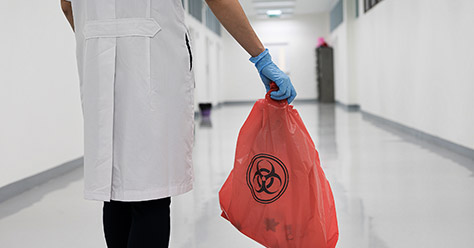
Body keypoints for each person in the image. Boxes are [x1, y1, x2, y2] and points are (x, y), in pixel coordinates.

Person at [60, 0, 296, 247]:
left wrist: (101, 40)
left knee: (115, 193)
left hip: (99, 69)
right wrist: (261, 57)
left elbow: (67, 6)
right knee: (151, 194)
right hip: (154, 68)